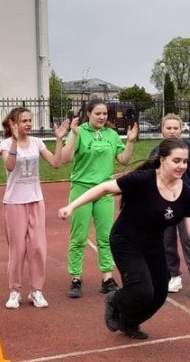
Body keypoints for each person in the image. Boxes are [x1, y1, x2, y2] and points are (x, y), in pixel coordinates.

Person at [59, 138, 190, 339]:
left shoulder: (185, 191)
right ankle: (114, 300)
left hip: (153, 245)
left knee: (159, 295)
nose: (182, 166)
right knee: (142, 290)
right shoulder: (143, 179)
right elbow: (103, 188)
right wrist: (72, 206)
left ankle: (129, 322)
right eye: (176, 161)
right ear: (162, 160)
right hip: (126, 241)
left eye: (185, 162)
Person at [59, 99, 138, 298]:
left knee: (105, 236)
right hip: (82, 189)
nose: (102, 117)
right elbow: (66, 158)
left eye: (104, 114)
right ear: (88, 114)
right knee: (79, 237)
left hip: (105, 191)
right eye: (98, 114)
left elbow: (123, 160)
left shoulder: (111, 135)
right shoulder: (79, 131)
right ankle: (76, 278)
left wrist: (129, 141)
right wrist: (74, 135)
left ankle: (107, 277)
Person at [0, 107, 68, 309]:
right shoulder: (5, 144)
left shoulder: (37, 142)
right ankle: (14, 291)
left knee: (38, 247)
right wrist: (13, 140)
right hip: (14, 202)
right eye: (24, 121)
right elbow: (10, 166)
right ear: (14, 123)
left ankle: (36, 290)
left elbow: (56, 163)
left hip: (36, 200)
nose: (29, 124)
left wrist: (59, 139)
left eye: (30, 120)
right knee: (17, 248)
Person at [151, 114, 190, 300]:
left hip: (187, 203)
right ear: (162, 130)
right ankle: (174, 276)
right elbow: (149, 178)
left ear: (181, 129)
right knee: (167, 241)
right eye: (168, 128)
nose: (172, 131)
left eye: (175, 128)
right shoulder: (155, 152)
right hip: (164, 204)